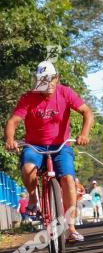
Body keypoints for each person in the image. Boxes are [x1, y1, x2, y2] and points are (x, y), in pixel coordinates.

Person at [3, 60, 94, 243]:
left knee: (68, 179)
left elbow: (87, 112)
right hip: (34, 147)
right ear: (37, 81)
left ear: (57, 78)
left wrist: (84, 134)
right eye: (43, 79)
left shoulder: (65, 92)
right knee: (28, 168)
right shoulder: (29, 98)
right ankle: (33, 198)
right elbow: (13, 121)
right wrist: (10, 140)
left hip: (61, 147)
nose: (48, 83)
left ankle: (70, 228)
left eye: (51, 79)